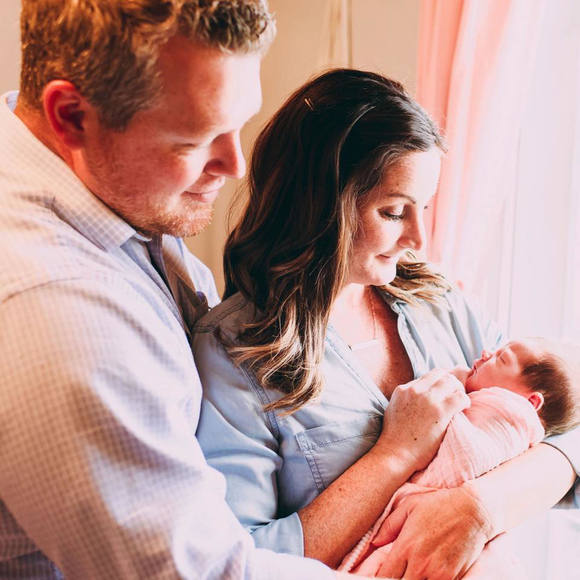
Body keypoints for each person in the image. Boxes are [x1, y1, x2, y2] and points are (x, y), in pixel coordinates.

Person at [0, 1, 353, 578]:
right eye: (195, 138)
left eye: (238, 123)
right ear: (72, 116)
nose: (236, 165)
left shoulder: (112, 196)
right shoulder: (60, 310)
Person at [193, 69, 580, 577]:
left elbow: (562, 422)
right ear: (319, 205)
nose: (419, 239)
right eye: (395, 212)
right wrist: (395, 455)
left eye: (424, 208)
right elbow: (243, 559)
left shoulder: (437, 302)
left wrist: (480, 509)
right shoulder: (236, 353)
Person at [341, 338, 580, 575]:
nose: (486, 352)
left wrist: (452, 385)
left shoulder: (508, 416)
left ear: (532, 401)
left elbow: (465, 453)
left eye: (501, 358)